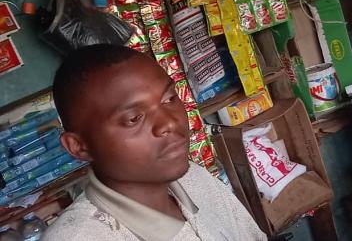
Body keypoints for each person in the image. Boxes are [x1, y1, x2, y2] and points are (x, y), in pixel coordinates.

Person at [43, 44, 267, 241]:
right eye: (134, 118)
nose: (168, 123)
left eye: (169, 99)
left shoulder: (194, 179)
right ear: (79, 146)